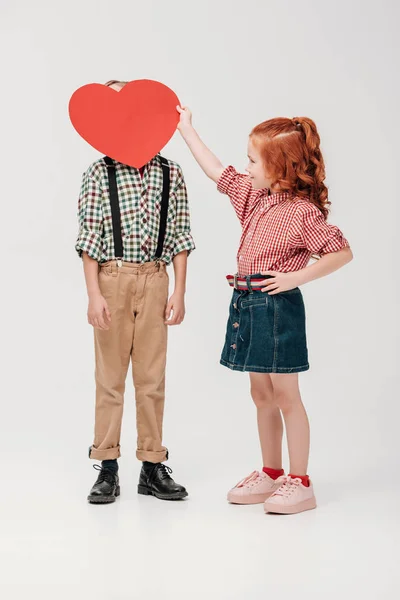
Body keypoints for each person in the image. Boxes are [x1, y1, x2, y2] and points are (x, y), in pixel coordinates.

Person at [177, 106, 352, 514]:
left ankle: (300, 480)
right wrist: (187, 129)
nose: (246, 166)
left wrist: (295, 278)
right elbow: (217, 170)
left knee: (286, 395)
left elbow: (341, 252)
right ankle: (271, 472)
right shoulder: (256, 199)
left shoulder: (303, 213)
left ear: (280, 167)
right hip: (246, 303)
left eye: (254, 160)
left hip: (277, 307)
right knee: (261, 394)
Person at [76, 80, 195, 504]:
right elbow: (89, 238)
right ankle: (107, 465)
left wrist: (179, 290)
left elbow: (180, 234)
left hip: (155, 277)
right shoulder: (99, 172)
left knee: (151, 377)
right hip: (113, 277)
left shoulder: (170, 172)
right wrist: (94, 294)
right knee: (110, 378)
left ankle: (151, 464)